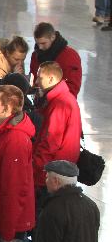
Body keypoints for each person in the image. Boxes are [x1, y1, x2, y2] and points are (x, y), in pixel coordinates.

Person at [0, 85, 35, 242]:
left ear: (7, 109)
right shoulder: (3, 135)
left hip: (4, 229)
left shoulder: (15, 141)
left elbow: (14, 189)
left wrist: (8, 233)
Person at [32, 61, 82, 197]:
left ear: (51, 79)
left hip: (51, 173)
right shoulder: (66, 98)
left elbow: (50, 143)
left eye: (39, 77)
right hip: (62, 169)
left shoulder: (59, 104)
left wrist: (33, 167)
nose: (36, 82)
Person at [28, 22, 82, 97]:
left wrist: (49, 95)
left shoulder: (70, 56)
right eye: (38, 43)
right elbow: (33, 79)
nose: (40, 47)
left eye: (43, 43)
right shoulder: (36, 55)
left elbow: (73, 86)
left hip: (61, 101)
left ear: (53, 37)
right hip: (41, 102)